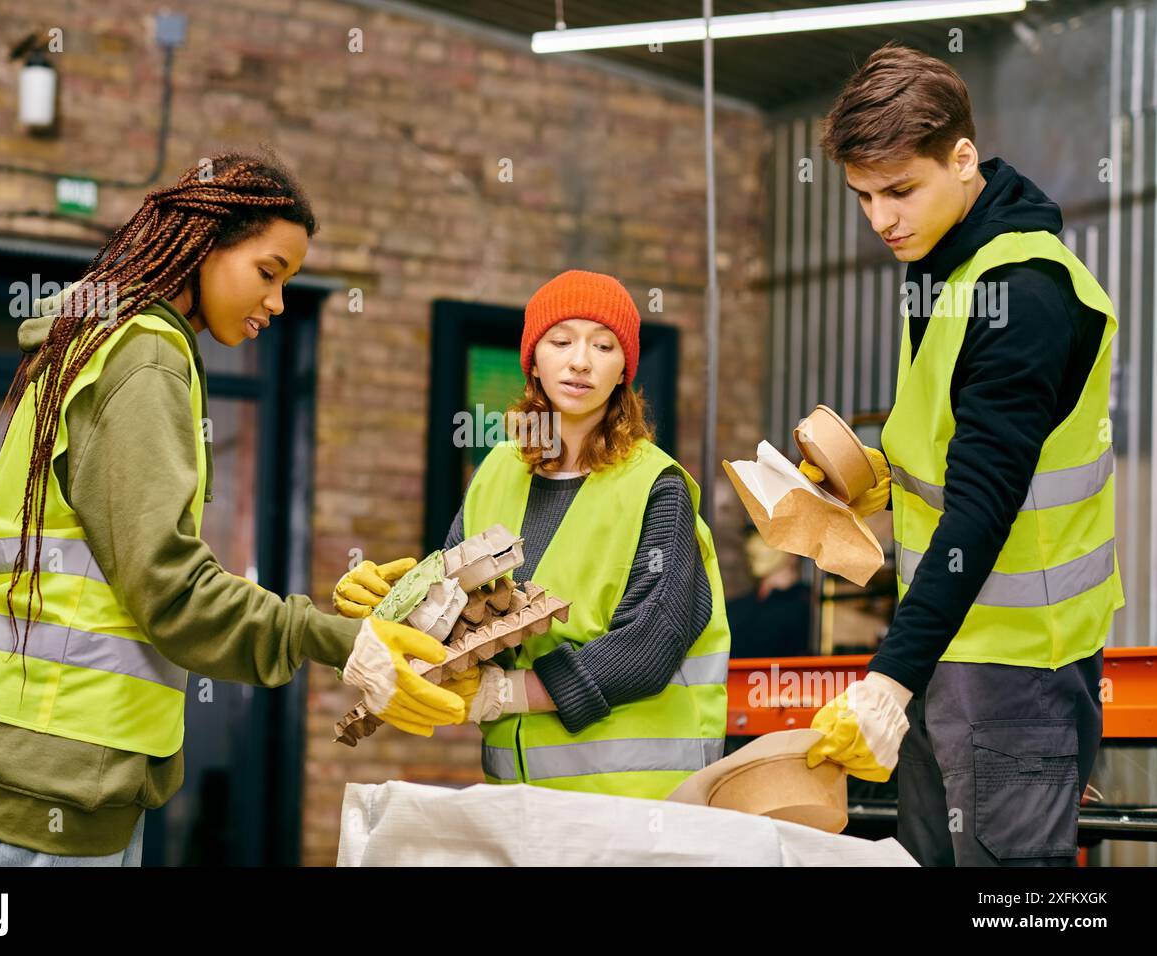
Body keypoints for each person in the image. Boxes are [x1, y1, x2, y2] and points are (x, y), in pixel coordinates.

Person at [0, 151, 464, 866]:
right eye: (268, 271)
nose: (279, 302)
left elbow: (147, 574)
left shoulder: (105, 344)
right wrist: (339, 641)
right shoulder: (144, 359)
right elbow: (172, 591)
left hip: (59, 761)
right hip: (63, 774)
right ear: (205, 242)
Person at [802, 44, 1123, 866]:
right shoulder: (949, 272)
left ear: (964, 157)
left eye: (900, 190)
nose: (881, 219)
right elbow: (950, 457)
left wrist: (888, 677)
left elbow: (983, 505)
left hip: (1015, 675)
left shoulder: (1022, 295)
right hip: (949, 654)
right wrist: (864, 486)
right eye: (862, 196)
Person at [336, 270, 731, 799]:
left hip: (639, 801)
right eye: (561, 341)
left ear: (623, 372)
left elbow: (649, 646)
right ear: (534, 361)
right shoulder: (498, 471)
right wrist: (393, 603)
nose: (581, 361)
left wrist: (505, 693)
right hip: (518, 797)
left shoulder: (655, 487)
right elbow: (462, 612)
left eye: (604, 345)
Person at [726, 525, 812, 659]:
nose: (754, 545)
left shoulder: (811, 607)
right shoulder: (734, 609)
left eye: (766, 536)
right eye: (752, 535)